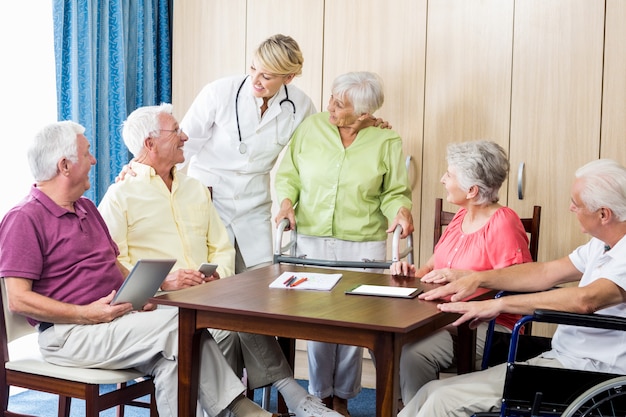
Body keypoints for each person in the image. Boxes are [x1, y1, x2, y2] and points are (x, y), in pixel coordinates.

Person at [0, 120, 297, 417]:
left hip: (112, 320)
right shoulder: (24, 218)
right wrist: (86, 313)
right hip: (69, 333)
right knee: (180, 328)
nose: (94, 159)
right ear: (64, 166)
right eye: (87, 153)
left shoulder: (86, 208)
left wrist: (137, 296)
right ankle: (244, 412)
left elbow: (112, 264)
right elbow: (18, 299)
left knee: (174, 358)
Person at [98, 104, 341, 417]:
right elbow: (111, 264)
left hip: (206, 295)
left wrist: (220, 278)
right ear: (149, 143)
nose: (185, 136)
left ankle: (255, 404)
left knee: (243, 310)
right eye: (175, 131)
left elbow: (222, 247)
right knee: (223, 327)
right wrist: (164, 282)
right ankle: (282, 399)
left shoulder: (195, 188)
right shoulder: (120, 195)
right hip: (159, 304)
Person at [398, 158, 626, 417]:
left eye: (577, 203)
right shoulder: (601, 245)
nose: (570, 208)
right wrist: (478, 278)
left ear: (604, 214)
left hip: (592, 373)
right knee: (430, 391)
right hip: (564, 360)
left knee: (441, 400)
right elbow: (544, 272)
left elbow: (587, 299)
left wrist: (499, 303)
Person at [274, 71, 414, 416]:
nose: (330, 105)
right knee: (317, 321)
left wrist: (401, 211)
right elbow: (288, 173)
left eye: (341, 103)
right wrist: (286, 202)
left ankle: (344, 398)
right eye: (333, 97)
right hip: (312, 237)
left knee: (355, 324)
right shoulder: (311, 128)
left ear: (365, 114)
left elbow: (394, 191)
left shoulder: (386, 141)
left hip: (362, 242)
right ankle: (319, 397)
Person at [388, 140, 533, 406]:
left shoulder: (503, 223)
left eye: (449, 175)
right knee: (388, 341)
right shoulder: (460, 216)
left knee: (412, 353)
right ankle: (406, 407)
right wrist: (410, 273)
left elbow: (520, 282)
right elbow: (432, 268)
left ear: (472, 190)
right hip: (442, 319)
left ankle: (414, 410)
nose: (443, 179)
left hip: (489, 326)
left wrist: (465, 277)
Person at [179, 34, 317, 273]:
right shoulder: (220, 92)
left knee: (260, 281)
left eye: (267, 76)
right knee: (209, 280)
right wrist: (145, 170)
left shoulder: (301, 106)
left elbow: (319, 144)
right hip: (209, 198)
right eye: (253, 68)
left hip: (254, 205)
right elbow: (183, 144)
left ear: (289, 77)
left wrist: (368, 124)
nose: (255, 79)